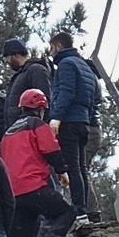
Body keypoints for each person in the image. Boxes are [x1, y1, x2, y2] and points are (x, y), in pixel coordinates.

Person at [0, 91, 67, 237]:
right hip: (33, 186)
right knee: (67, 212)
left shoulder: (8, 133)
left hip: (13, 194)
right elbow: (51, 150)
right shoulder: (37, 124)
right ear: (40, 108)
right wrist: (62, 171)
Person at [42, 30, 101, 219]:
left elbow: (66, 92)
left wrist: (56, 117)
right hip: (84, 122)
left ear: (59, 46)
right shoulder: (85, 67)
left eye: (52, 49)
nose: (51, 54)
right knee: (81, 168)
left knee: (72, 167)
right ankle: (83, 210)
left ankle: (78, 211)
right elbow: (94, 98)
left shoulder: (66, 65)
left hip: (69, 121)